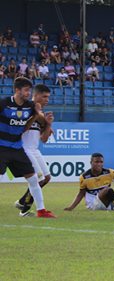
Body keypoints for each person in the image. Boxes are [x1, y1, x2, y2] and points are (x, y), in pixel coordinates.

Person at [0, 77, 55, 218]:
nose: (28, 93)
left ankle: (40, 210)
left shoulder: (30, 106)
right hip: (2, 147)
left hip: (17, 148)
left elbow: (30, 125)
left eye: (29, 90)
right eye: (26, 90)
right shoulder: (4, 103)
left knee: (33, 179)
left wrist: (42, 119)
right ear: (17, 90)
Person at [14, 85, 54, 217]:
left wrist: (48, 124)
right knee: (37, 178)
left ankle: (22, 202)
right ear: (35, 96)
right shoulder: (26, 109)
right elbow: (22, 129)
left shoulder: (41, 114)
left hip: (34, 149)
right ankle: (26, 210)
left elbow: (44, 139)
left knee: (46, 178)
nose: (47, 100)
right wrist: (35, 116)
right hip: (24, 149)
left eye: (48, 97)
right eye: (44, 96)